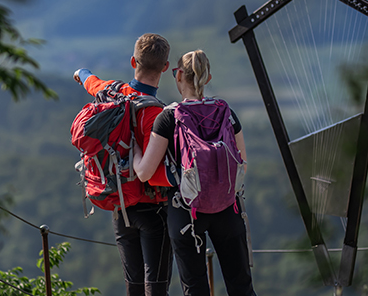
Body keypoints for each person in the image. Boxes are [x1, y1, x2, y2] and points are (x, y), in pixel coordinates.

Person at [132, 50, 256, 296]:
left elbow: (145, 173)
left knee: (195, 288)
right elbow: (241, 161)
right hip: (228, 209)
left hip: (186, 211)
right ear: (208, 78)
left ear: (178, 77)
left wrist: (134, 153)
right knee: (241, 287)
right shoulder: (226, 113)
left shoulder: (169, 117)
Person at [72, 33, 173, 296]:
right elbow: (155, 170)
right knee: (157, 287)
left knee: (134, 286)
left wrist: (81, 73)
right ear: (164, 67)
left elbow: (90, 82)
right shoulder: (156, 114)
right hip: (152, 211)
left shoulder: (111, 91)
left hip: (119, 205)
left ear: (132, 61)